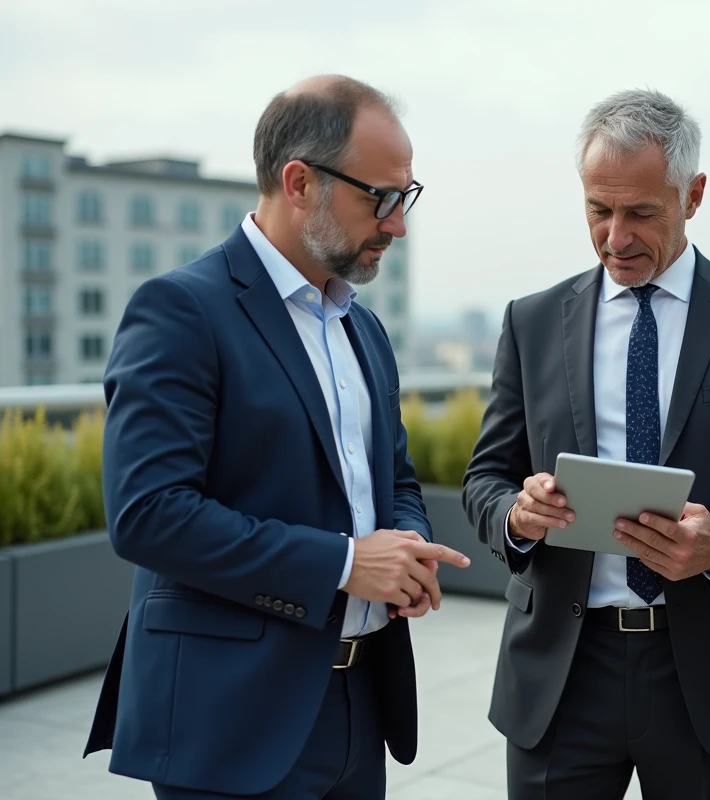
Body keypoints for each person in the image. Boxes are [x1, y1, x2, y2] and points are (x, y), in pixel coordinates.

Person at [83, 75, 470, 800]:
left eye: (405, 198)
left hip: (363, 704)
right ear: (299, 182)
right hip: (232, 718)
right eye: (380, 199)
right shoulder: (180, 311)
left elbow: (395, 478)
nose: (397, 224)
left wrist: (406, 550)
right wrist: (345, 563)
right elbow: (148, 514)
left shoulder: (364, 326)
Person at [462, 88, 710, 799]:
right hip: (560, 676)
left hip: (705, 677)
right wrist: (516, 513)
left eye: (640, 213)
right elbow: (486, 478)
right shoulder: (533, 322)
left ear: (692, 196)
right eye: (598, 211)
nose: (615, 237)